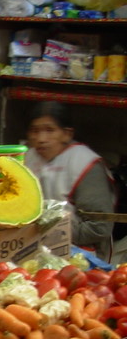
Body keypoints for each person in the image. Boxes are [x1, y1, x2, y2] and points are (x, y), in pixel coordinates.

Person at [24, 101, 117, 261]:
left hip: (81, 254)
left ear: (67, 134)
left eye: (49, 130)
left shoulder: (85, 163)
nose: (41, 139)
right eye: (35, 131)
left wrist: (48, 234)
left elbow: (99, 228)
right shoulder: (28, 158)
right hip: (33, 248)